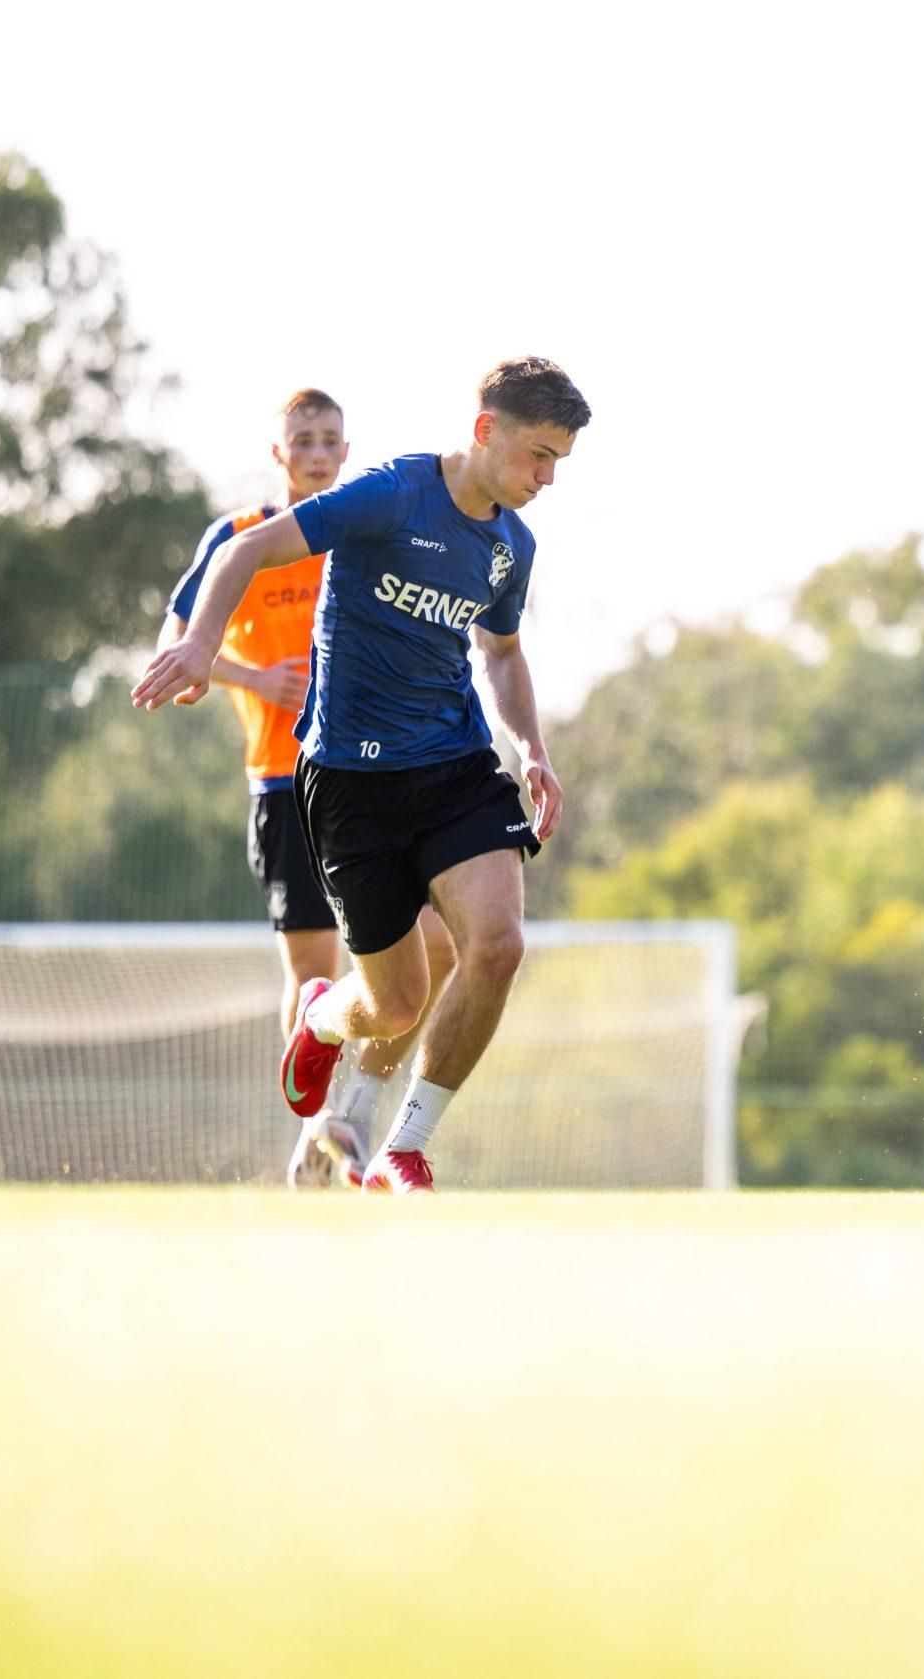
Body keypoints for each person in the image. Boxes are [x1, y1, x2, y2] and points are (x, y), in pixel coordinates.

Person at [134, 357, 589, 1192]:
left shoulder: (510, 546)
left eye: (559, 460)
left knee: (495, 944)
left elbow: (502, 653)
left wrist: (533, 750)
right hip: (348, 783)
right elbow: (247, 553)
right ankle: (320, 1015)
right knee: (395, 1002)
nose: (547, 478)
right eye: (537, 455)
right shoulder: (390, 495)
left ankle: (405, 1146)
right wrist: (201, 645)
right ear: (486, 431)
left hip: (454, 765)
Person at [155, 388, 450, 1188]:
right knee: (311, 970)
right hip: (285, 784)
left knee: (444, 948)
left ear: (346, 453)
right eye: (304, 441)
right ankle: (311, 1139)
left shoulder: (363, 534)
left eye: (331, 441)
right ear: (278, 453)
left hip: (381, 774)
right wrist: (256, 678)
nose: (318, 453)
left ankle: (347, 1118)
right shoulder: (242, 539)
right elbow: (175, 641)